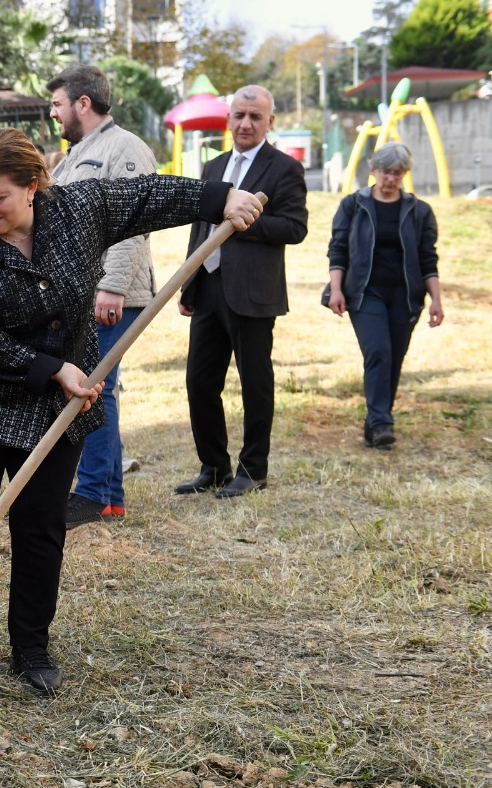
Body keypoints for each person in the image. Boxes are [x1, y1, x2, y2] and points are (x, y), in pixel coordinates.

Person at [0, 128, 263, 694]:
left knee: (41, 529)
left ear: (32, 186)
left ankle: (31, 647)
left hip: (57, 408)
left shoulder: (80, 209)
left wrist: (220, 197)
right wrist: (52, 368)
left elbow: (147, 196)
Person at [176, 86, 309, 499]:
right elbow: (201, 227)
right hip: (209, 287)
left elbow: (295, 227)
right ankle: (214, 467)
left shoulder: (284, 169)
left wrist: (244, 222)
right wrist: (189, 282)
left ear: (270, 122)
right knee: (199, 382)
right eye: (239, 115)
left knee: (255, 384)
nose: (246, 123)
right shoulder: (214, 166)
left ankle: (253, 471)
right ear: (228, 119)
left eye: (255, 116)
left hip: (253, 293)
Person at [45, 64, 159, 528]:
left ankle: (92, 493)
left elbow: (135, 219)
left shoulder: (124, 147)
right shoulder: (75, 154)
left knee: (95, 389)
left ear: (83, 103)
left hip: (112, 294)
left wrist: (111, 286)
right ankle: (108, 498)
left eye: (57, 104)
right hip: (81, 293)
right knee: (96, 389)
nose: (53, 113)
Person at [325, 142, 444, 449]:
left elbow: (428, 259)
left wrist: (436, 300)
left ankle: (375, 424)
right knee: (378, 352)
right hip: (365, 293)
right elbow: (338, 250)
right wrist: (336, 289)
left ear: (405, 174)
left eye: (397, 173)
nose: (390, 178)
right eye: (385, 171)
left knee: (393, 359)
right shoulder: (353, 205)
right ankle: (382, 423)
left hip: (406, 295)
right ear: (373, 170)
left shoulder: (419, 211)